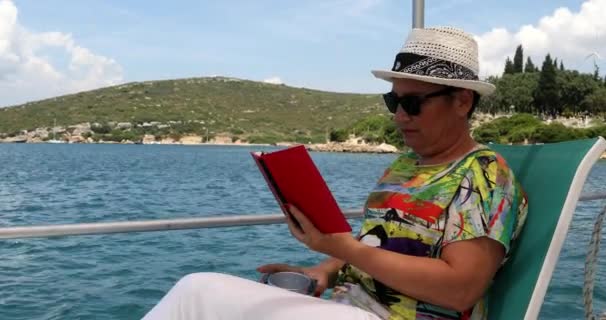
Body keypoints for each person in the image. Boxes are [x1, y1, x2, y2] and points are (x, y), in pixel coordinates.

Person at [142, 26, 528, 320]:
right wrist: (323, 269)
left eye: (411, 103)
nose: (398, 116)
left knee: (198, 294)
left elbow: (461, 289)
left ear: (462, 101)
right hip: (348, 306)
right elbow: (375, 247)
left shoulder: (485, 175)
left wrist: (340, 248)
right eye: (393, 100)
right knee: (195, 291)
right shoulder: (407, 165)